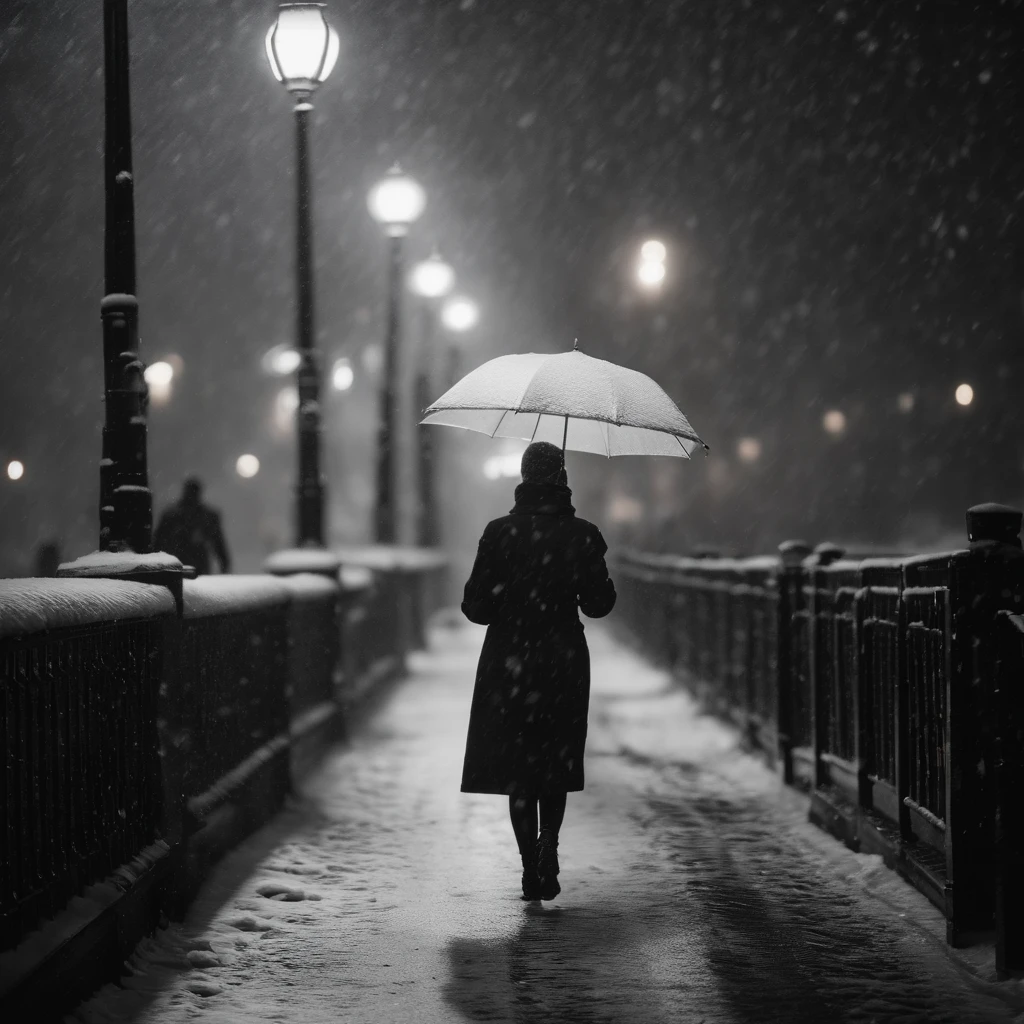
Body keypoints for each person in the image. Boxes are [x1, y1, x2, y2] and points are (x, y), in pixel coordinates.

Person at [460, 440, 617, 901]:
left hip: (510, 660)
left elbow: (476, 608)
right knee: (554, 758)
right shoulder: (583, 534)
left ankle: (530, 863)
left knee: (519, 766)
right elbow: (600, 605)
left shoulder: (498, 532)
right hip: (562, 658)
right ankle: (551, 841)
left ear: (524, 478)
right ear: (562, 479)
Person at [153, 477, 231, 575]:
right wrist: (225, 565)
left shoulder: (171, 514)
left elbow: (158, 542)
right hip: (195, 565)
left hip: (177, 564)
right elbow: (218, 544)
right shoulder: (207, 516)